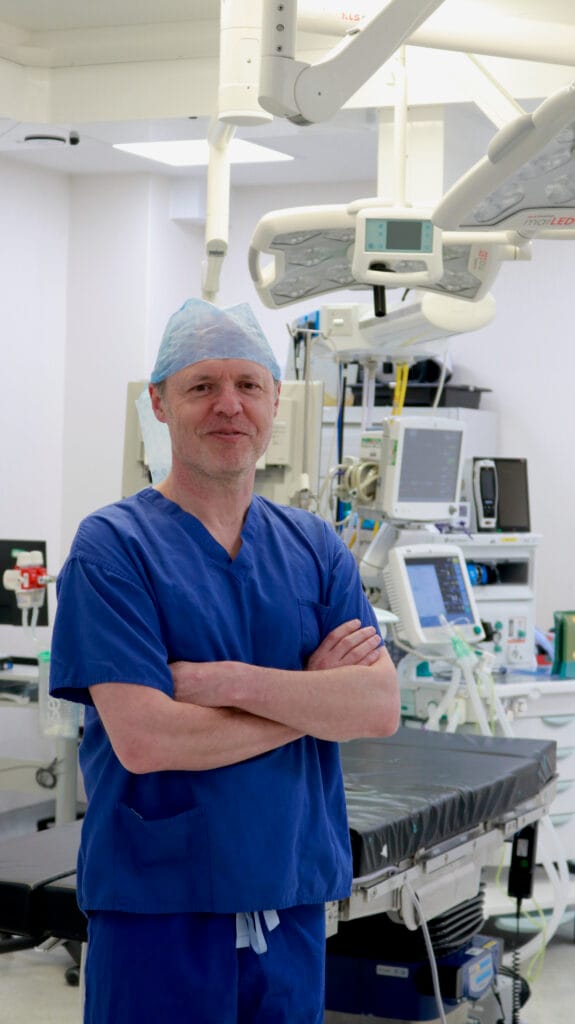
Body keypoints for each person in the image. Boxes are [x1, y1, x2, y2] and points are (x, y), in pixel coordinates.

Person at [50, 298, 399, 1024]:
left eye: (248, 385)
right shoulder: (112, 549)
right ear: (160, 402)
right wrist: (310, 701)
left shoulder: (313, 547)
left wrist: (231, 684)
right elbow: (148, 742)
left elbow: (375, 708)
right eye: (201, 386)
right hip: (159, 909)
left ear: (276, 399)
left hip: (289, 895)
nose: (228, 406)